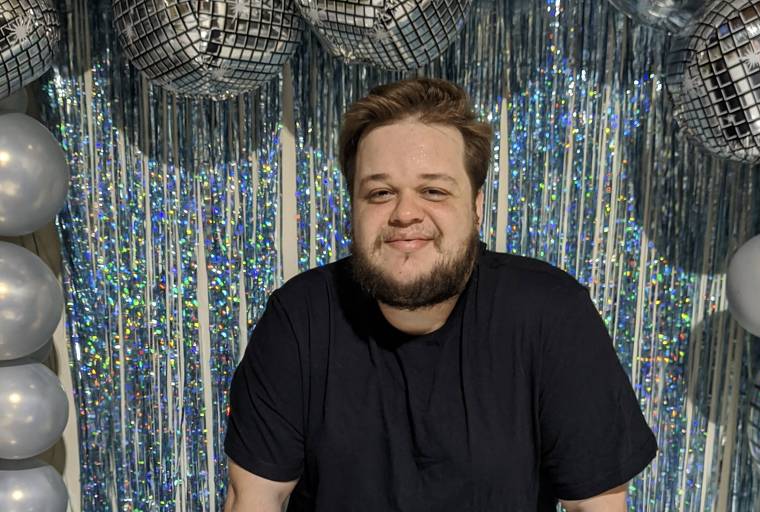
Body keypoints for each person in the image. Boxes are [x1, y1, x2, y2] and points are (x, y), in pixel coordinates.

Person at [223, 78, 658, 512]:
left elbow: (596, 507)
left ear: (475, 207)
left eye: (433, 190)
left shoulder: (552, 314)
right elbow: (256, 499)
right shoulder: (300, 318)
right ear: (352, 210)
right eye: (380, 193)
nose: (406, 213)